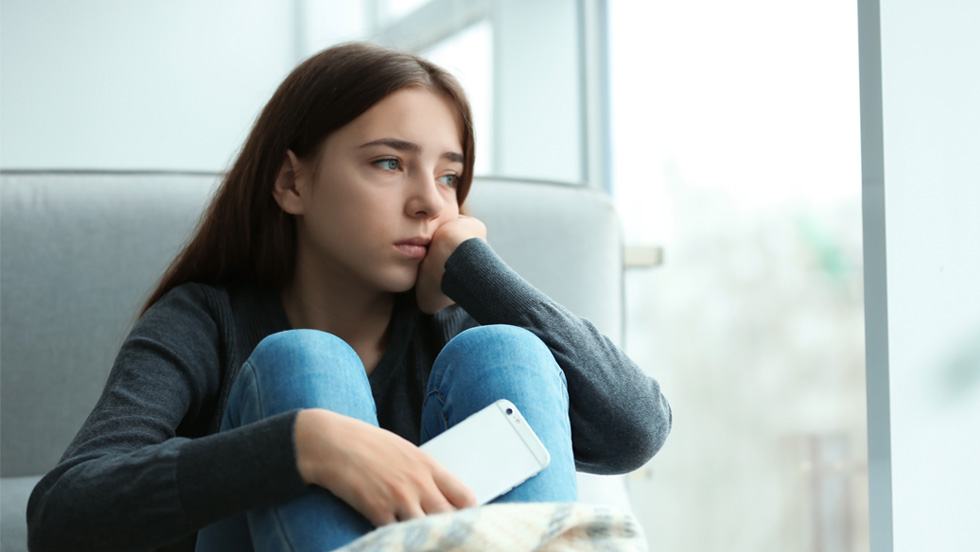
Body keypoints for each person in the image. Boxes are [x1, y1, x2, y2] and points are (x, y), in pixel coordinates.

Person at [26, 42, 672, 552]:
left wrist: (478, 272)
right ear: (291, 183)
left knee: (509, 352)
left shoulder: (455, 325)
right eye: (389, 163)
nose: (429, 201)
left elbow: (636, 430)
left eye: (449, 176)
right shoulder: (206, 320)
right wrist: (303, 445)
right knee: (304, 364)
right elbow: (61, 515)